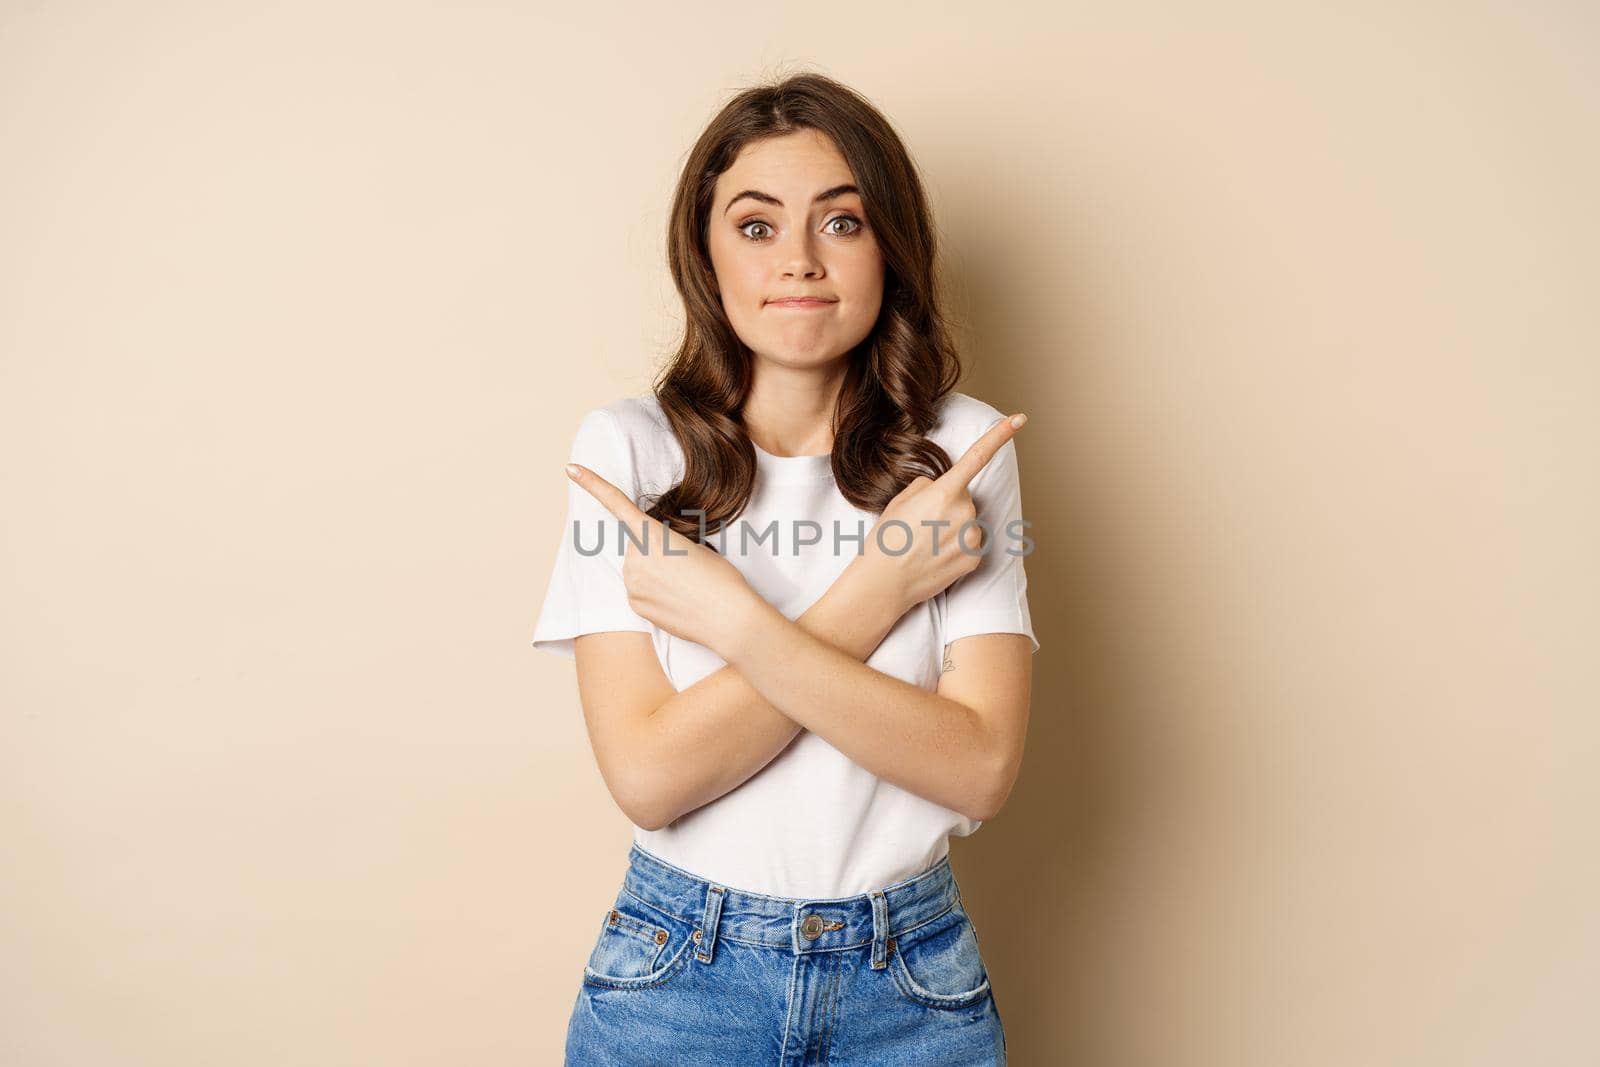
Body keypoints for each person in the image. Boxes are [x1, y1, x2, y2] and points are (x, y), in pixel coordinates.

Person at [531, 72, 1037, 1066]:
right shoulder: (629, 453)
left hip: (912, 985)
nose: (799, 261)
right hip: (678, 976)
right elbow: (648, 774)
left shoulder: (963, 451)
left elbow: (978, 766)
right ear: (706, 252)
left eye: (841, 222)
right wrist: (881, 587)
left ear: (890, 245)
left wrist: (739, 624)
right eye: (756, 227)